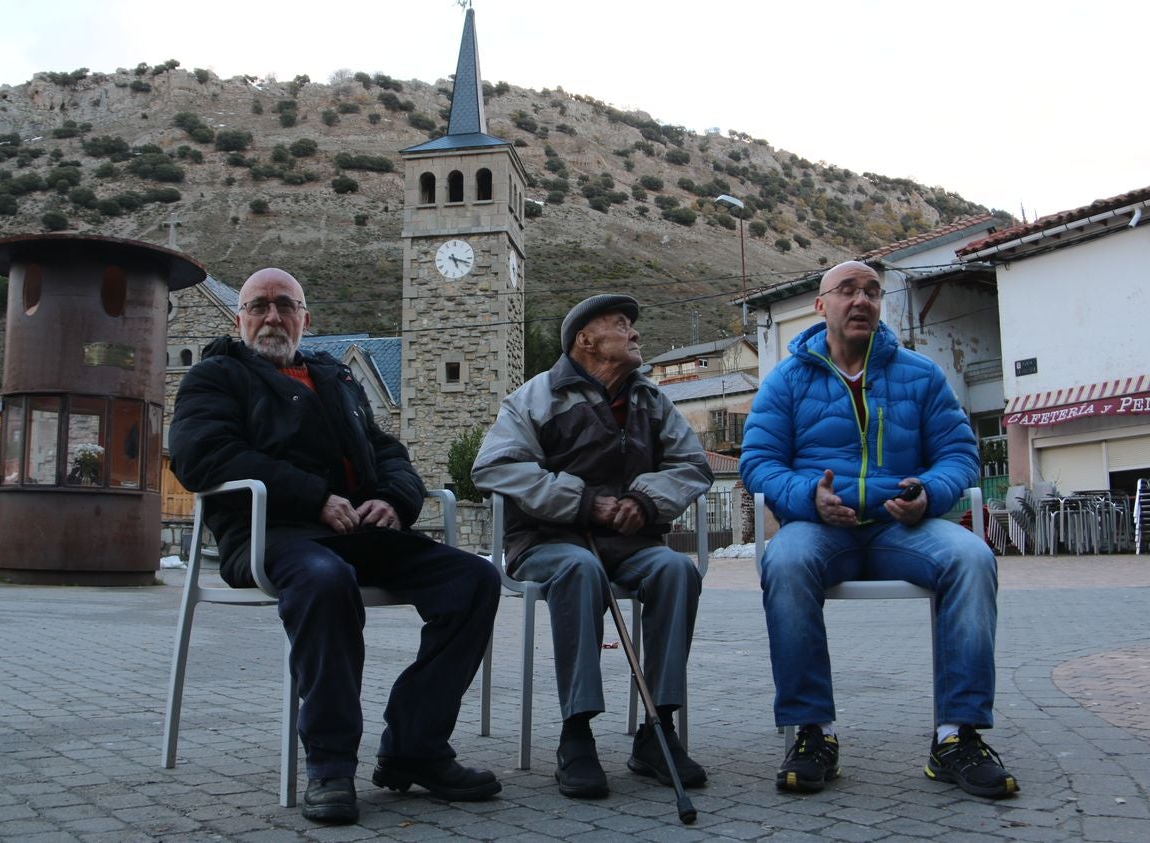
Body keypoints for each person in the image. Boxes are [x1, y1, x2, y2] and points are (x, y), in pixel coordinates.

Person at [169, 268, 501, 825]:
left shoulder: (335, 378)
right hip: (274, 535)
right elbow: (202, 457)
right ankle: (330, 764)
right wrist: (313, 498)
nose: (271, 317)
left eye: (284, 305)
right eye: (259, 306)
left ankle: (414, 747)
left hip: (359, 532)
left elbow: (387, 450)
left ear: (306, 318)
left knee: (473, 580)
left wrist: (395, 501)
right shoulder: (215, 376)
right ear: (239, 318)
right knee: (325, 580)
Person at [740, 260, 1019, 799]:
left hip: (902, 530)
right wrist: (808, 498)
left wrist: (930, 495)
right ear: (821, 306)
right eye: (847, 291)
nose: (861, 300)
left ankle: (956, 735)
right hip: (821, 528)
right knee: (786, 560)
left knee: (972, 558)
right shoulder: (787, 380)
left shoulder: (920, 374)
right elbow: (758, 461)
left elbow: (959, 454)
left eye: (872, 291)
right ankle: (812, 731)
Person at [472, 293, 713, 799]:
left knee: (676, 570)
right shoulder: (535, 397)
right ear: (585, 338)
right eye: (621, 324)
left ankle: (657, 729)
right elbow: (495, 468)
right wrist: (585, 503)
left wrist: (645, 503)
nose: (634, 333)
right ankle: (575, 734)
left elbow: (693, 466)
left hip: (630, 542)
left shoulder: (651, 400)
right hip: (547, 540)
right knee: (580, 568)